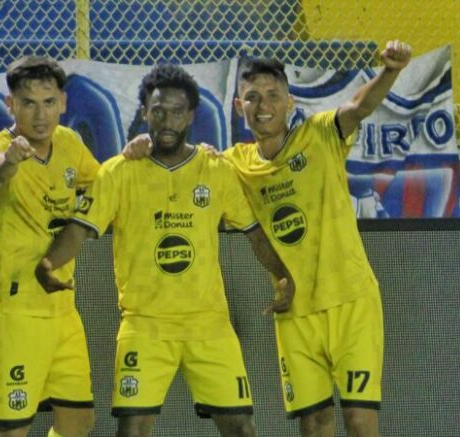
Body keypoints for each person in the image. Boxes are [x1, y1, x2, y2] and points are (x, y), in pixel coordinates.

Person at [123, 40, 413, 437]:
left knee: (360, 420)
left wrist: (391, 71)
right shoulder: (233, 163)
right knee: (314, 423)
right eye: (253, 97)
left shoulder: (321, 135)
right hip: (293, 311)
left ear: (289, 102)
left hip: (351, 301)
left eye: (273, 96)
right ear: (239, 107)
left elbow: (359, 106)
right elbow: (183, 159)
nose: (263, 106)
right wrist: (144, 144)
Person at [34, 63, 294, 437]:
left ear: (191, 115)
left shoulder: (215, 170)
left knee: (241, 428)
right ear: (144, 112)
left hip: (209, 324)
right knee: (132, 429)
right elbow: (79, 229)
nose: (167, 121)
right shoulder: (119, 172)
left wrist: (283, 275)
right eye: (158, 111)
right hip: (145, 325)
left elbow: (255, 234)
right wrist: (48, 263)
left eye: (176, 112)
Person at [0, 56, 99, 437]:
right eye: (28, 103)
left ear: (62, 102)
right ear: (11, 104)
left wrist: (133, 157)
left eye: (48, 103)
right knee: (12, 430)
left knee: (79, 422)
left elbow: (103, 183)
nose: (40, 115)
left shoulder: (70, 144)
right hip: (15, 314)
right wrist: (10, 160)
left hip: (63, 311)